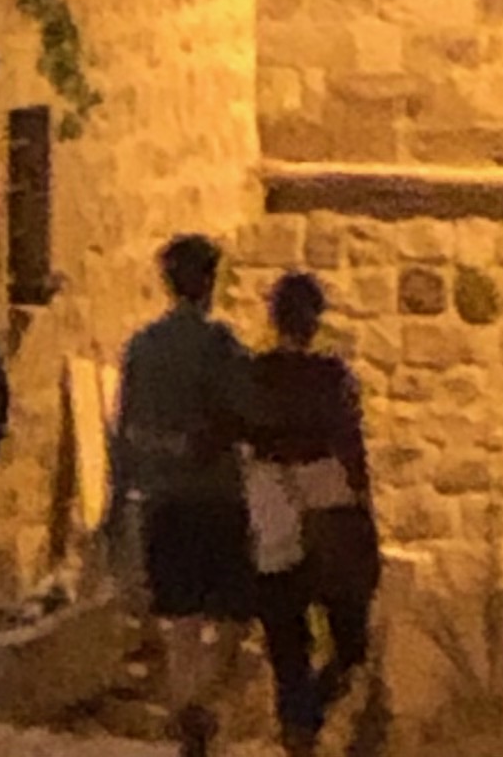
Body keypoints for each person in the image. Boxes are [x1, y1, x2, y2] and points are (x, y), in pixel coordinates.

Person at [111, 232, 255, 757]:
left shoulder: (142, 348)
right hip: (217, 497)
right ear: (210, 282)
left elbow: (125, 430)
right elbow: (246, 416)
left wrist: (121, 497)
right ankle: (200, 703)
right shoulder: (224, 349)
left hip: (163, 498)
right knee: (234, 614)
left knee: (180, 616)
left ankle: (187, 704)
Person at [238, 270, 380, 750]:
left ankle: (297, 722)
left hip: (271, 502)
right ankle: (313, 711)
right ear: (316, 321)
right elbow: (350, 447)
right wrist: (362, 507)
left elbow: (240, 439)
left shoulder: (254, 375)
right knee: (350, 635)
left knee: (285, 632)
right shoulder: (332, 378)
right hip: (328, 501)